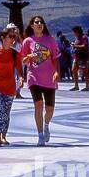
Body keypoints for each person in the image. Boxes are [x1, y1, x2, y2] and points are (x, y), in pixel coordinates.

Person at [20, 13, 59, 147]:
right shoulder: (27, 41)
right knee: (38, 105)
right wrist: (29, 57)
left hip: (49, 78)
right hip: (34, 77)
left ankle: (46, 124)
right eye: (36, 22)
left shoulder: (50, 40)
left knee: (50, 109)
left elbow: (55, 58)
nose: (39, 24)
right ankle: (40, 135)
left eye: (41, 22)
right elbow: (23, 60)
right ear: (32, 25)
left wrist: (56, 72)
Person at [70, 26, 89, 92]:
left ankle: (87, 87)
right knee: (74, 70)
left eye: (74, 32)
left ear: (77, 32)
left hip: (83, 57)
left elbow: (84, 46)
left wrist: (75, 46)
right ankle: (76, 86)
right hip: (77, 57)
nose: (74, 34)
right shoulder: (77, 38)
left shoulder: (84, 37)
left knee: (85, 71)